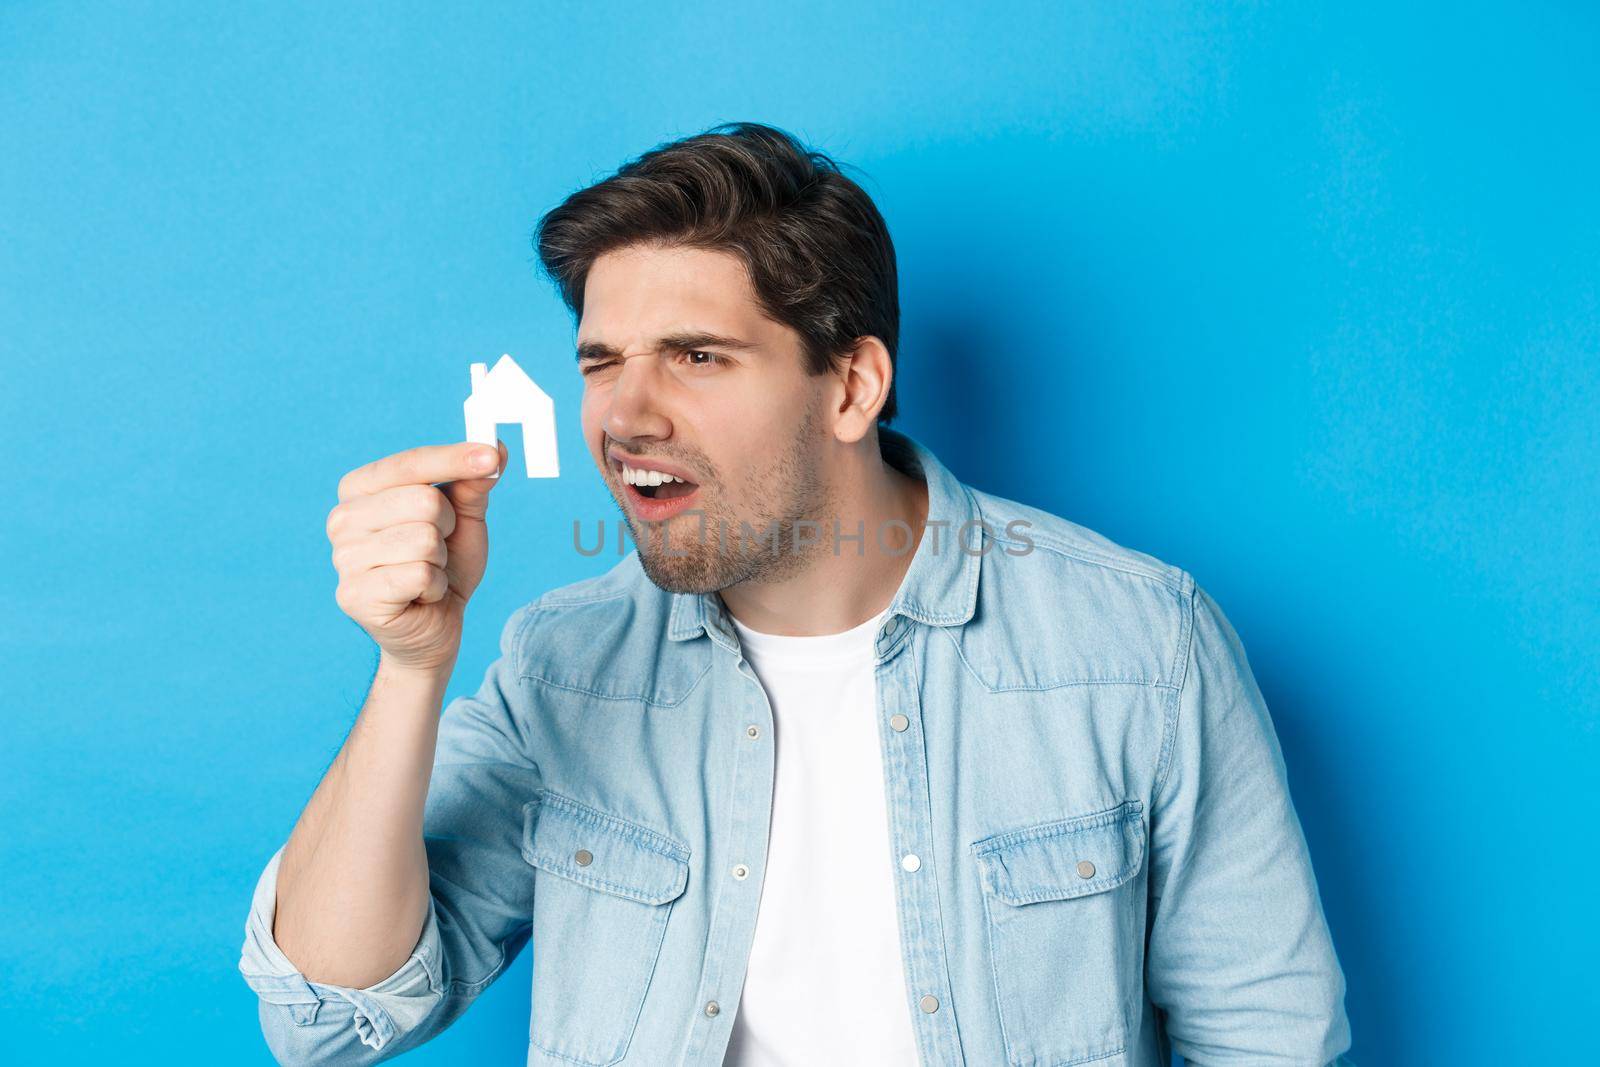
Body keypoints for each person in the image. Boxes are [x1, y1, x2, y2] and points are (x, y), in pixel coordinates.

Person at [239, 121, 1352, 1066]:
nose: (625, 415)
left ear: (852, 386)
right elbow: (328, 1014)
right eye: (599, 361)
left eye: (697, 356)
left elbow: (1268, 1034)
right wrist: (411, 665)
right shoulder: (563, 664)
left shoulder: (1137, 645)